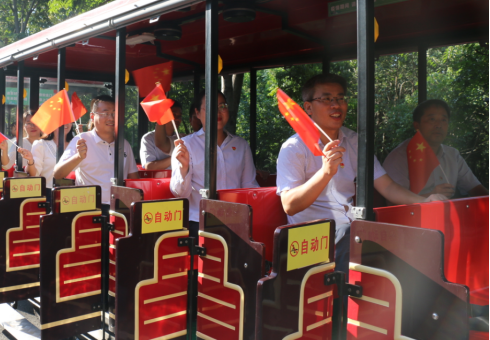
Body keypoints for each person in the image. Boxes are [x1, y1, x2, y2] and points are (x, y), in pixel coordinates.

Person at [276, 74, 447, 274]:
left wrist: (424, 202)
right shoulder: (293, 148)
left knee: (394, 236)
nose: (336, 105)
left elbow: (387, 186)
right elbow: (289, 205)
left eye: (340, 98)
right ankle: (345, 303)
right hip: (307, 238)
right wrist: (325, 173)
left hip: (350, 230)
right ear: (308, 108)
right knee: (356, 236)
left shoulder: (354, 141)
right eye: (326, 99)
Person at [170, 91, 258, 234]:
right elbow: (180, 194)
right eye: (210, 107)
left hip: (235, 221)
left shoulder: (241, 145)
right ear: (197, 113)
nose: (217, 112)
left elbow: (249, 186)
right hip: (199, 222)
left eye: (222, 106)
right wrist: (183, 168)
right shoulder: (186, 146)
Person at [383, 99, 488, 200]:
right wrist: (431, 195)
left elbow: (475, 189)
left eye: (443, 120)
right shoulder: (400, 157)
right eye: (432, 119)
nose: (438, 125)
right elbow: (392, 203)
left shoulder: (452, 155)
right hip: (412, 217)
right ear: (417, 125)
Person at [54, 95, 139, 206]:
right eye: (105, 113)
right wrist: (78, 157)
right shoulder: (82, 140)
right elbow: (57, 173)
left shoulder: (124, 144)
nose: (111, 118)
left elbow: (134, 178)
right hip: (89, 208)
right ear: (92, 116)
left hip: (120, 208)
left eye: (114, 113)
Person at [20, 123, 75, 189]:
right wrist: (30, 161)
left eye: (67, 120)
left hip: (74, 193)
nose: (64, 123)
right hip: (50, 193)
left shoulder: (76, 144)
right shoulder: (41, 145)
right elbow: (33, 175)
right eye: (60, 120)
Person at [142, 100, 183, 170]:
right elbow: (149, 166)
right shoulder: (148, 138)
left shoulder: (182, 138)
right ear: (164, 115)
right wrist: (176, 156)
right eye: (174, 114)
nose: (177, 119)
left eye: (180, 116)